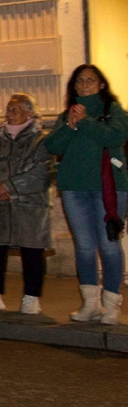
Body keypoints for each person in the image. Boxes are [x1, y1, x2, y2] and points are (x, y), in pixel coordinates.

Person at [45, 65, 128, 325]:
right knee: (84, 247)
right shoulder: (66, 115)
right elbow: (52, 145)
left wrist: (86, 121)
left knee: (109, 245)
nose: (84, 85)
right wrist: (70, 126)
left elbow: (116, 136)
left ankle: (112, 304)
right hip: (74, 189)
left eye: (91, 80)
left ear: (101, 84)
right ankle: (90, 303)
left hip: (109, 188)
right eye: (79, 81)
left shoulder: (112, 111)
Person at [0, 93, 52, 314]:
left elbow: (42, 173)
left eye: (14, 110)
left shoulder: (41, 140)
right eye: (8, 109)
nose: (8, 114)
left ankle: (31, 297)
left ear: (30, 113)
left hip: (29, 207)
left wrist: (8, 186)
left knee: (32, 251)